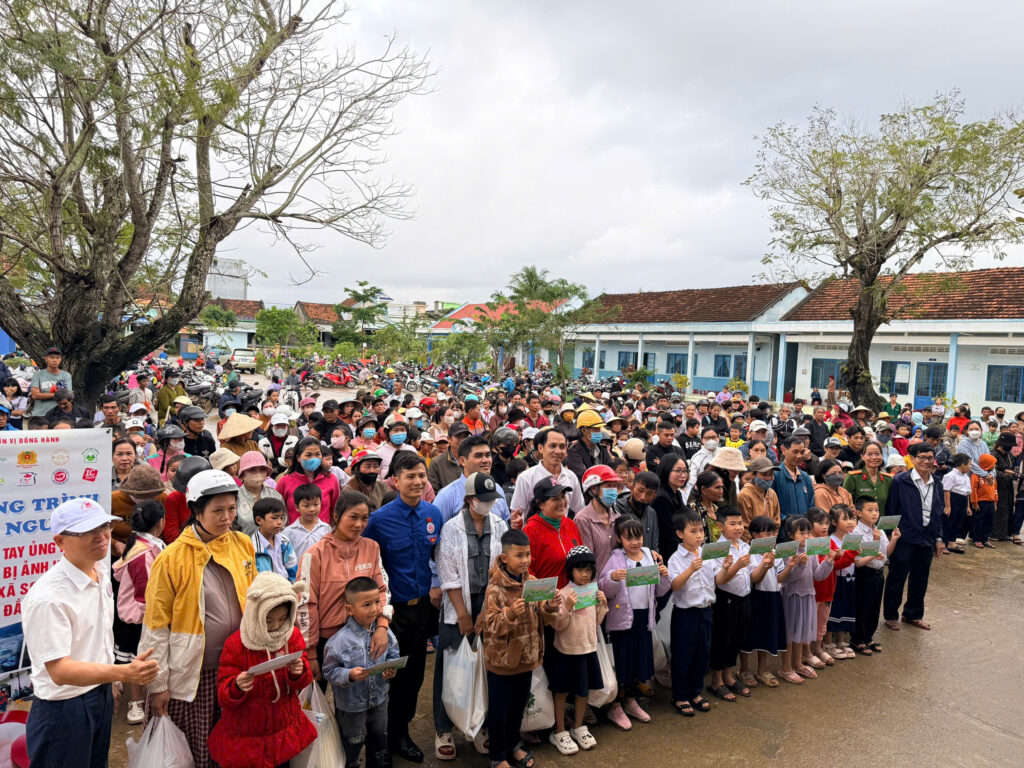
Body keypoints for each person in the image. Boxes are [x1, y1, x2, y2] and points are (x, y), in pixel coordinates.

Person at [23, 498, 160, 768]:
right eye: (86, 531)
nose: (101, 536)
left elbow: (97, 638)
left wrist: (109, 683)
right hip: (63, 708)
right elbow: (60, 671)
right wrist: (122, 673)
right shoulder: (49, 597)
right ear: (60, 542)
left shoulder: (99, 570)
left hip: (99, 693)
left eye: (104, 526)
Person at [141, 469, 256, 768]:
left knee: (231, 747)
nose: (227, 517)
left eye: (231, 508)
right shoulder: (171, 557)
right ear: (195, 511)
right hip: (192, 675)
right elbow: (155, 625)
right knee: (194, 749)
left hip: (235, 669)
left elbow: (253, 597)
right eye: (217, 510)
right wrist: (158, 685)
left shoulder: (242, 544)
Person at [362, 454, 440, 762]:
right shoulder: (379, 520)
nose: (418, 482)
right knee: (385, 676)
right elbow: (368, 567)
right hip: (391, 613)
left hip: (423, 611)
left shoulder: (433, 513)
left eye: (422, 475)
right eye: (410, 476)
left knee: (414, 677)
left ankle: (401, 734)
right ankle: (379, 741)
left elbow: (438, 556)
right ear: (395, 480)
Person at [433, 472, 508, 760]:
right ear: (469, 500)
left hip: (490, 601)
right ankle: (444, 727)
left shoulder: (499, 524)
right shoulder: (452, 528)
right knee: (451, 665)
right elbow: (448, 574)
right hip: (458, 604)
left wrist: (486, 611)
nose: (488, 505)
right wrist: (464, 614)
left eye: (491, 500)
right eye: (483, 500)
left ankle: (480, 725)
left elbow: (501, 568)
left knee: (486, 666)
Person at [207, 572, 316, 768]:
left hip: (283, 729)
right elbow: (223, 693)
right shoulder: (236, 645)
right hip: (247, 736)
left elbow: (302, 680)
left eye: (283, 619)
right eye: (268, 620)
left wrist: (298, 671)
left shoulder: (291, 637)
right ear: (255, 613)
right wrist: (236, 686)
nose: (276, 626)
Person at [481, 529, 560, 768]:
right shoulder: (495, 589)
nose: (525, 560)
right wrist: (509, 614)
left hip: (527, 659)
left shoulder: (533, 583)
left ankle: (513, 745)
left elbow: (543, 620)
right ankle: (497, 755)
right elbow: (491, 625)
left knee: (518, 707)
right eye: (519, 555)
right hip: (502, 663)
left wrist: (550, 607)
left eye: (528, 555)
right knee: (499, 711)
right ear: (505, 558)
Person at [302, 490, 392, 689]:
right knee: (318, 698)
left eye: (364, 518)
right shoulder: (315, 554)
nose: (359, 524)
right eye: (353, 517)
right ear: (336, 516)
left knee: (358, 698)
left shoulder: (372, 548)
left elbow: (382, 590)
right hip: (326, 641)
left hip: (364, 636)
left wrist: (382, 626)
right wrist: (310, 653)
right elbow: (306, 604)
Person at [599, 515, 670, 728]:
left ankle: (631, 700)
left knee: (639, 660)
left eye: (637, 536)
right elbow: (604, 587)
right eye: (628, 538)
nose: (634, 542)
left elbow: (659, 590)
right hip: (622, 620)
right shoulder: (616, 557)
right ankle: (616, 706)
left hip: (643, 617)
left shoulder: (650, 555)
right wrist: (612, 578)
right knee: (623, 661)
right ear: (619, 539)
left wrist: (664, 575)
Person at [322, 577, 401, 768]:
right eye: (366, 604)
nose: (374, 609)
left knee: (379, 745)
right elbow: (329, 671)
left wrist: (391, 669)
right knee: (351, 749)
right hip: (351, 708)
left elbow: (393, 654)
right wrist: (349, 675)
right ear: (350, 609)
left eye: (376, 602)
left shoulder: (385, 633)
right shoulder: (338, 642)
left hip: (380, 702)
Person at [547, 546, 609, 754]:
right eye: (580, 569)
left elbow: (596, 623)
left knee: (583, 690)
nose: (585, 574)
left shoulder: (591, 592)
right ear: (570, 570)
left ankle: (579, 726)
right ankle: (560, 730)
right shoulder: (563, 594)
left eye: (589, 570)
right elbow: (558, 625)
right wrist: (569, 608)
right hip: (566, 651)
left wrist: (602, 605)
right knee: (562, 691)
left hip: (588, 649)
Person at [112, 500, 166, 724]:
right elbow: (143, 592)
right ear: (161, 522)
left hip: (141, 612)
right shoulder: (143, 553)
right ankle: (135, 702)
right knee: (136, 658)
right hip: (137, 616)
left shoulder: (148, 544)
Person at [882, 442, 945, 632]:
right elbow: (891, 509)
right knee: (897, 577)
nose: (926, 461)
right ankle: (891, 615)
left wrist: (939, 538)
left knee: (921, 578)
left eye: (929, 458)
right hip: (904, 537)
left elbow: (938, 512)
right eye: (922, 458)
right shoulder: (901, 480)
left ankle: (913, 614)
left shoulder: (937, 483)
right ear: (912, 459)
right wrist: (890, 537)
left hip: (927, 537)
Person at [666, 510, 718, 715]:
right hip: (685, 614)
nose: (699, 535)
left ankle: (696, 691)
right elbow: (675, 586)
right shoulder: (676, 558)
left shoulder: (707, 553)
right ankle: (679, 696)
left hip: (706, 611)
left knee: (702, 653)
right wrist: (690, 569)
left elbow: (719, 580)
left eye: (701, 530)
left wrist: (731, 567)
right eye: (693, 531)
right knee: (682, 655)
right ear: (680, 533)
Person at [706, 507, 758, 702]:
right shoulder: (716, 549)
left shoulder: (744, 546)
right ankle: (716, 680)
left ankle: (729, 674)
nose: (738, 528)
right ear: (720, 526)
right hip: (725, 599)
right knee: (722, 638)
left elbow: (753, 575)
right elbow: (719, 580)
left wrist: (765, 565)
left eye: (740, 523)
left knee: (738, 636)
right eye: (733, 524)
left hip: (744, 597)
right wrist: (736, 566)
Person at [776, 516, 834, 684]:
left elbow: (818, 574)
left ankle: (797, 663)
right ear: (790, 534)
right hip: (792, 596)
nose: (806, 536)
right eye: (801, 532)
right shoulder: (788, 551)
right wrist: (799, 564)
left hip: (808, 594)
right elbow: (789, 578)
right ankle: (785, 667)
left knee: (800, 633)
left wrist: (828, 562)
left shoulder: (811, 550)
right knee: (789, 633)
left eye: (808, 532)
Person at [738, 516, 783, 688]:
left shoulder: (775, 552)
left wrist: (792, 565)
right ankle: (744, 669)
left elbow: (779, 577)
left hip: (772, 596)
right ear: (755, 535)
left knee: (767, 632)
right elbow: (755, 578)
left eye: (774, 532)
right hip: (755, 597)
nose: (772, 536)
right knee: (748, 634)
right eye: (767, 533)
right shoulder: (750, 553)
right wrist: (765, 565)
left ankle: (762, 670)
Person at [850, 496, 897, 656]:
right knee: (862, 606)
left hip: (879, 573)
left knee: (875, 607)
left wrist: (894, 540)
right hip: (864, 573)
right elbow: (857, 561)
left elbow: (885, 554)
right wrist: (876, 542)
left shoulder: (879, 530)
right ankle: (858, 639)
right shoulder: (856, 532)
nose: (874, 514)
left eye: (876, 510)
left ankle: (869, 636)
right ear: (858, 512)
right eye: (869, 510)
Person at [433, 435, 512, 529]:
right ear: (462, 461)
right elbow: (436, 533)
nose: (485, 460)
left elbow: (505, 524)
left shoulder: (498, 489)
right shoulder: (447, 496)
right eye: (478, 456)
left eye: (488, 455)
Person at [510, 427, 586, 523]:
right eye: (552, 446)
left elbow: (580, 509)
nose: (558, 451)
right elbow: (516, 513)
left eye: (562, 447)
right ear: (541, 448)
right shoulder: (526, 478)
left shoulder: (571, 477)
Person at [523, 476, 584, 588]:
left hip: (573, 598)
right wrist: (545, 600)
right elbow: (527, 571)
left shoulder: (570, 524)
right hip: (545, 599)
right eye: (555, 498)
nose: (561, 502)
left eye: (563, 497)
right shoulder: (531, 530)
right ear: (541, 504)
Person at [275, 436, 341, 523]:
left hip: (323, 533)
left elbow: (335, 509)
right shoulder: (285, 481)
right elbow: (277, 510)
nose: (313, 459)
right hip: (293, 534)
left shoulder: (331, 479)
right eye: (308, 455)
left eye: (317, 454)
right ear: (298, 457)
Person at [575, 464, 623, 575]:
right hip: (595, 584)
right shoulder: (583, 519)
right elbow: (586, 561)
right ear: (593, 489)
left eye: (614, 486)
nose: (613, 490)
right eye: (608, 486)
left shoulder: (617, 517)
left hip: (617, 583)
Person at [234, 451, 284, 536]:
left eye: (262, 469)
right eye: (252, 469)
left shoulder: (275, 495)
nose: (258, 473)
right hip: (245, 547)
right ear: (243, 473)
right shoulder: (235, 498)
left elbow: (283, 523)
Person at [651, 455, 689, 558]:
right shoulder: (661, 497)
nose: (683, 475)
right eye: (678, 471)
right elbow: (668, 532)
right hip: (667, 551)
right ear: (666, 470)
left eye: (685, 471)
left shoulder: (677, 493)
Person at [251, 497, 297, 580]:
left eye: (282, 518)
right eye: (274, 518)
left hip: (287, 587)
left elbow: (293, 568)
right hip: (266, 589)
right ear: (259, 520)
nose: (280, 522)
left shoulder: (284, 541)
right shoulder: (252, 546)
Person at [737, 457, 781, 542]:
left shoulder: (772, 493)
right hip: (751, 545)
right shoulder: (744, 495)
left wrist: (771, 538)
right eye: (764, 474)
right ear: (753, 475)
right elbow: (744, 526)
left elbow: (776, 520)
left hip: (769, 542)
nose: (768, 478)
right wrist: (753, 545)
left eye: (771, 474)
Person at [284, 483, 331, 561]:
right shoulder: (289, 532)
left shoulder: (326, 529)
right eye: (306, 506)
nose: (312, 509)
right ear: (297, 507)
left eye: (316, 504)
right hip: (299, 572)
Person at [566, 410, 613, 481]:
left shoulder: (602, 449)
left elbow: (610, 471)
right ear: (584, 430)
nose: (599, 432)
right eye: (596, 429)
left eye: (599, 429)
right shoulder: (574, 451)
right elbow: (583, 476)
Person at [29, 346, 73, 417]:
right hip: (41, 414)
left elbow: (69, 395)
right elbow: (34, 395)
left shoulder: (66, 375)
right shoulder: (38, 375)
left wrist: (43, 395)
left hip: (61, 413)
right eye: (52, 357)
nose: (55, 360)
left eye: (57, 358)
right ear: (45, 358)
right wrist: (58, 395)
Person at [941, 454, 972, 553]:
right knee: (948, 522)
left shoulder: (966, 477)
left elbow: (966, 492)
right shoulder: (950, 476)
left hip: (963, 500)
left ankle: (951, 541)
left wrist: (967, 506)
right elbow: (946, 491)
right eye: (970, 465)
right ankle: (943, 543)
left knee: (958, 522)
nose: (970, 467)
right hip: (953, 499)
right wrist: (948, 506)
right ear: (963, 465)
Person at [969, 453, 998, 549]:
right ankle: (977, 539)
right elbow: (973, 489)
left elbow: (995, 489)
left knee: (989, 521)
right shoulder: (976, 475)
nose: (994, 466)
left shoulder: (992, 476)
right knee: (978, 521)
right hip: (980, 502)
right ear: (987, 464)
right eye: (992, 464)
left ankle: (985, 539)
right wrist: (974, 502)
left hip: (991, 502)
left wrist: (995, 501)